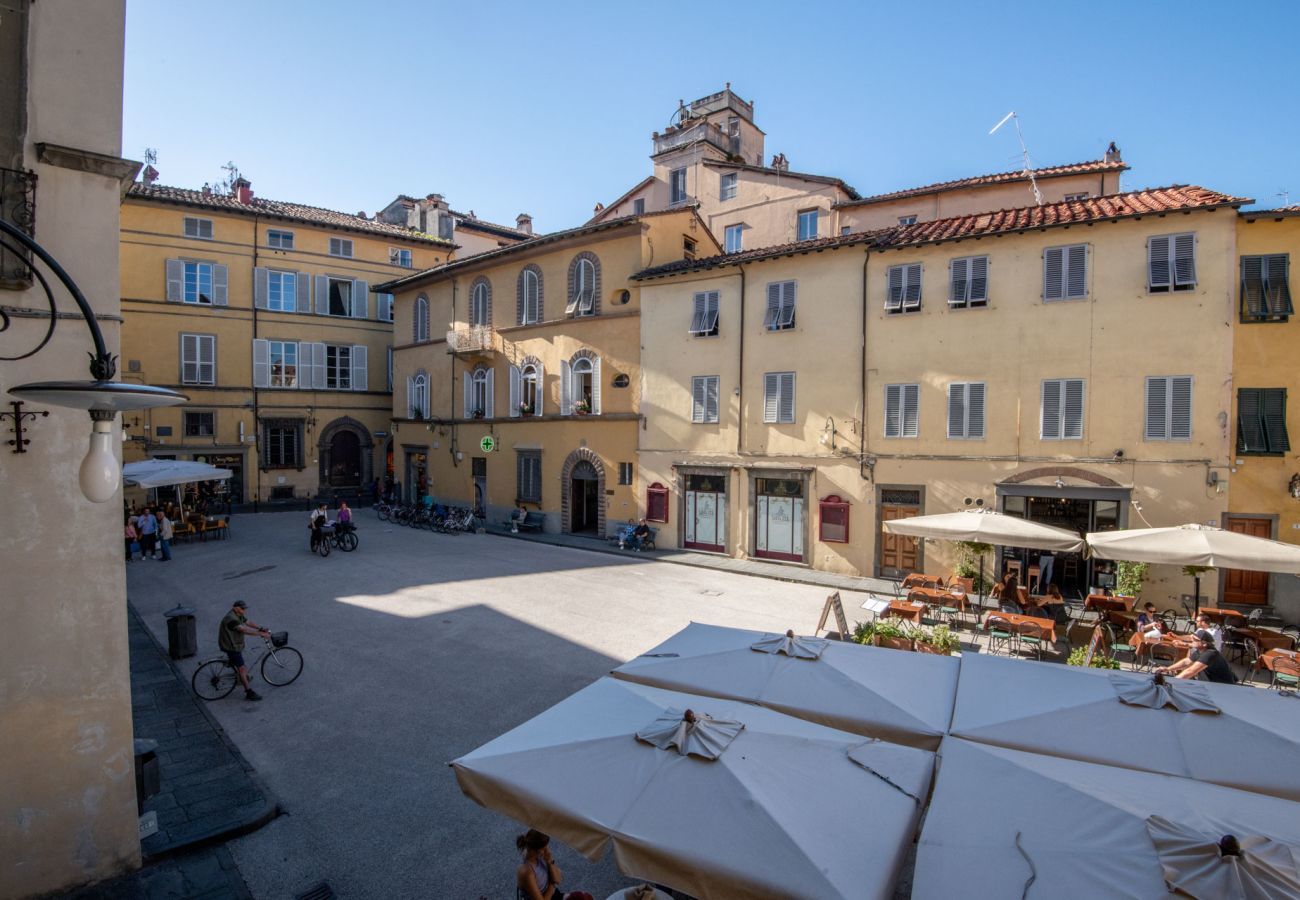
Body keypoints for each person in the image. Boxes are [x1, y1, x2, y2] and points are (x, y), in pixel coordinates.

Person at [218, 600, 271, 701]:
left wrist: (260, 628)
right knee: (242, 668)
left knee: (239, 665)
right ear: (235, 608)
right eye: (242, 608)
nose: (244, 610)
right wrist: (261, 634)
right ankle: (249, 692)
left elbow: (248, 622)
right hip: (231, 646)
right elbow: (244, 630)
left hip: (233, 644)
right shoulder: (231, 619)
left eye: (244, 608)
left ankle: (240, 677)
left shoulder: (238, 614)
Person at [515, 830, 589, 900]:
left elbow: (558, 879)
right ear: (537, 850)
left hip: (554, 895)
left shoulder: (540, 856)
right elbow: (554, 882)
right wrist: (552, 885)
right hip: (548, 896)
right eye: (545, 848)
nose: (548, 850)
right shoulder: (527, 872)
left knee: (585, 897)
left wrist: (549, 861)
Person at [1155, 629, 1237, 684]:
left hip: (1222, 687)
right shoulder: (1200, 650)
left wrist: (1171, 682)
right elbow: (1186, 662)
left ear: (1204, 643)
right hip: (1210, 684)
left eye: (1195, 639)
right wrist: (1168, 669)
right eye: (1192, 638)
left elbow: (1191, 671)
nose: (1192, 640)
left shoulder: (1210, 654)